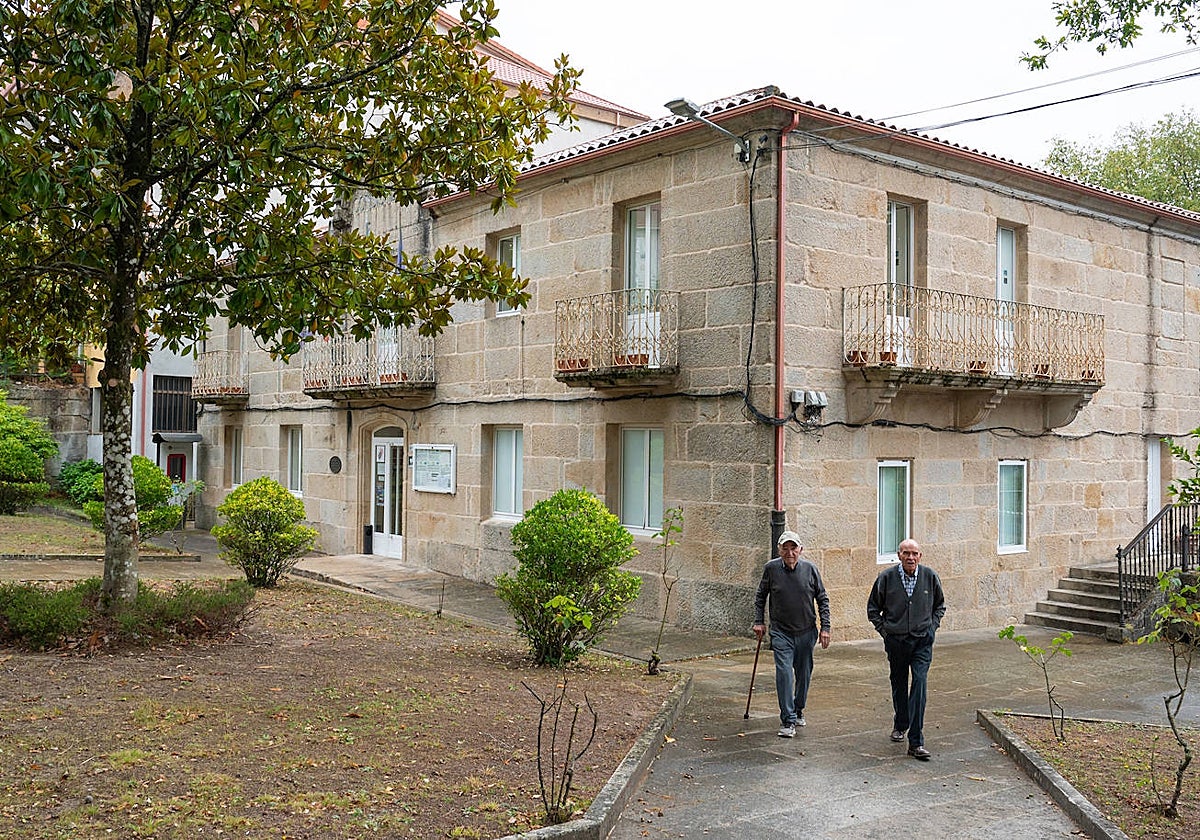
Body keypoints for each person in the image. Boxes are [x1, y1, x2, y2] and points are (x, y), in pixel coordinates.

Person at [866, 538, 946, 761]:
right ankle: (901, 723)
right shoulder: (886, 578)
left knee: (919, 684)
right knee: (899, 683)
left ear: (920, 556)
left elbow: (940, 606)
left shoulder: (930, 576)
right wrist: (886, 632)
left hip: (922, 641)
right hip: (897, 642)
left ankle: (916, 742)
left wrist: (932, 628)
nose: (910, 557)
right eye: (906, 553)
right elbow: (873, 609)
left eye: (914, 553)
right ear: (899, 555)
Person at [753, 530, 831, 738]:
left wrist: (825, 628)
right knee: (785, 674)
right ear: (779, 550)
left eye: (793, 548)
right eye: (785, 548)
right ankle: (787, 720)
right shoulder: (771, 569)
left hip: (806, 632)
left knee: (804, 674)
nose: (789, 552)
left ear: (800, 550)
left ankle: (798, 709)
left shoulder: (810, 569)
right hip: (781, 632)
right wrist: (759, 622)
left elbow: (822, 598)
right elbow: (761, 596)